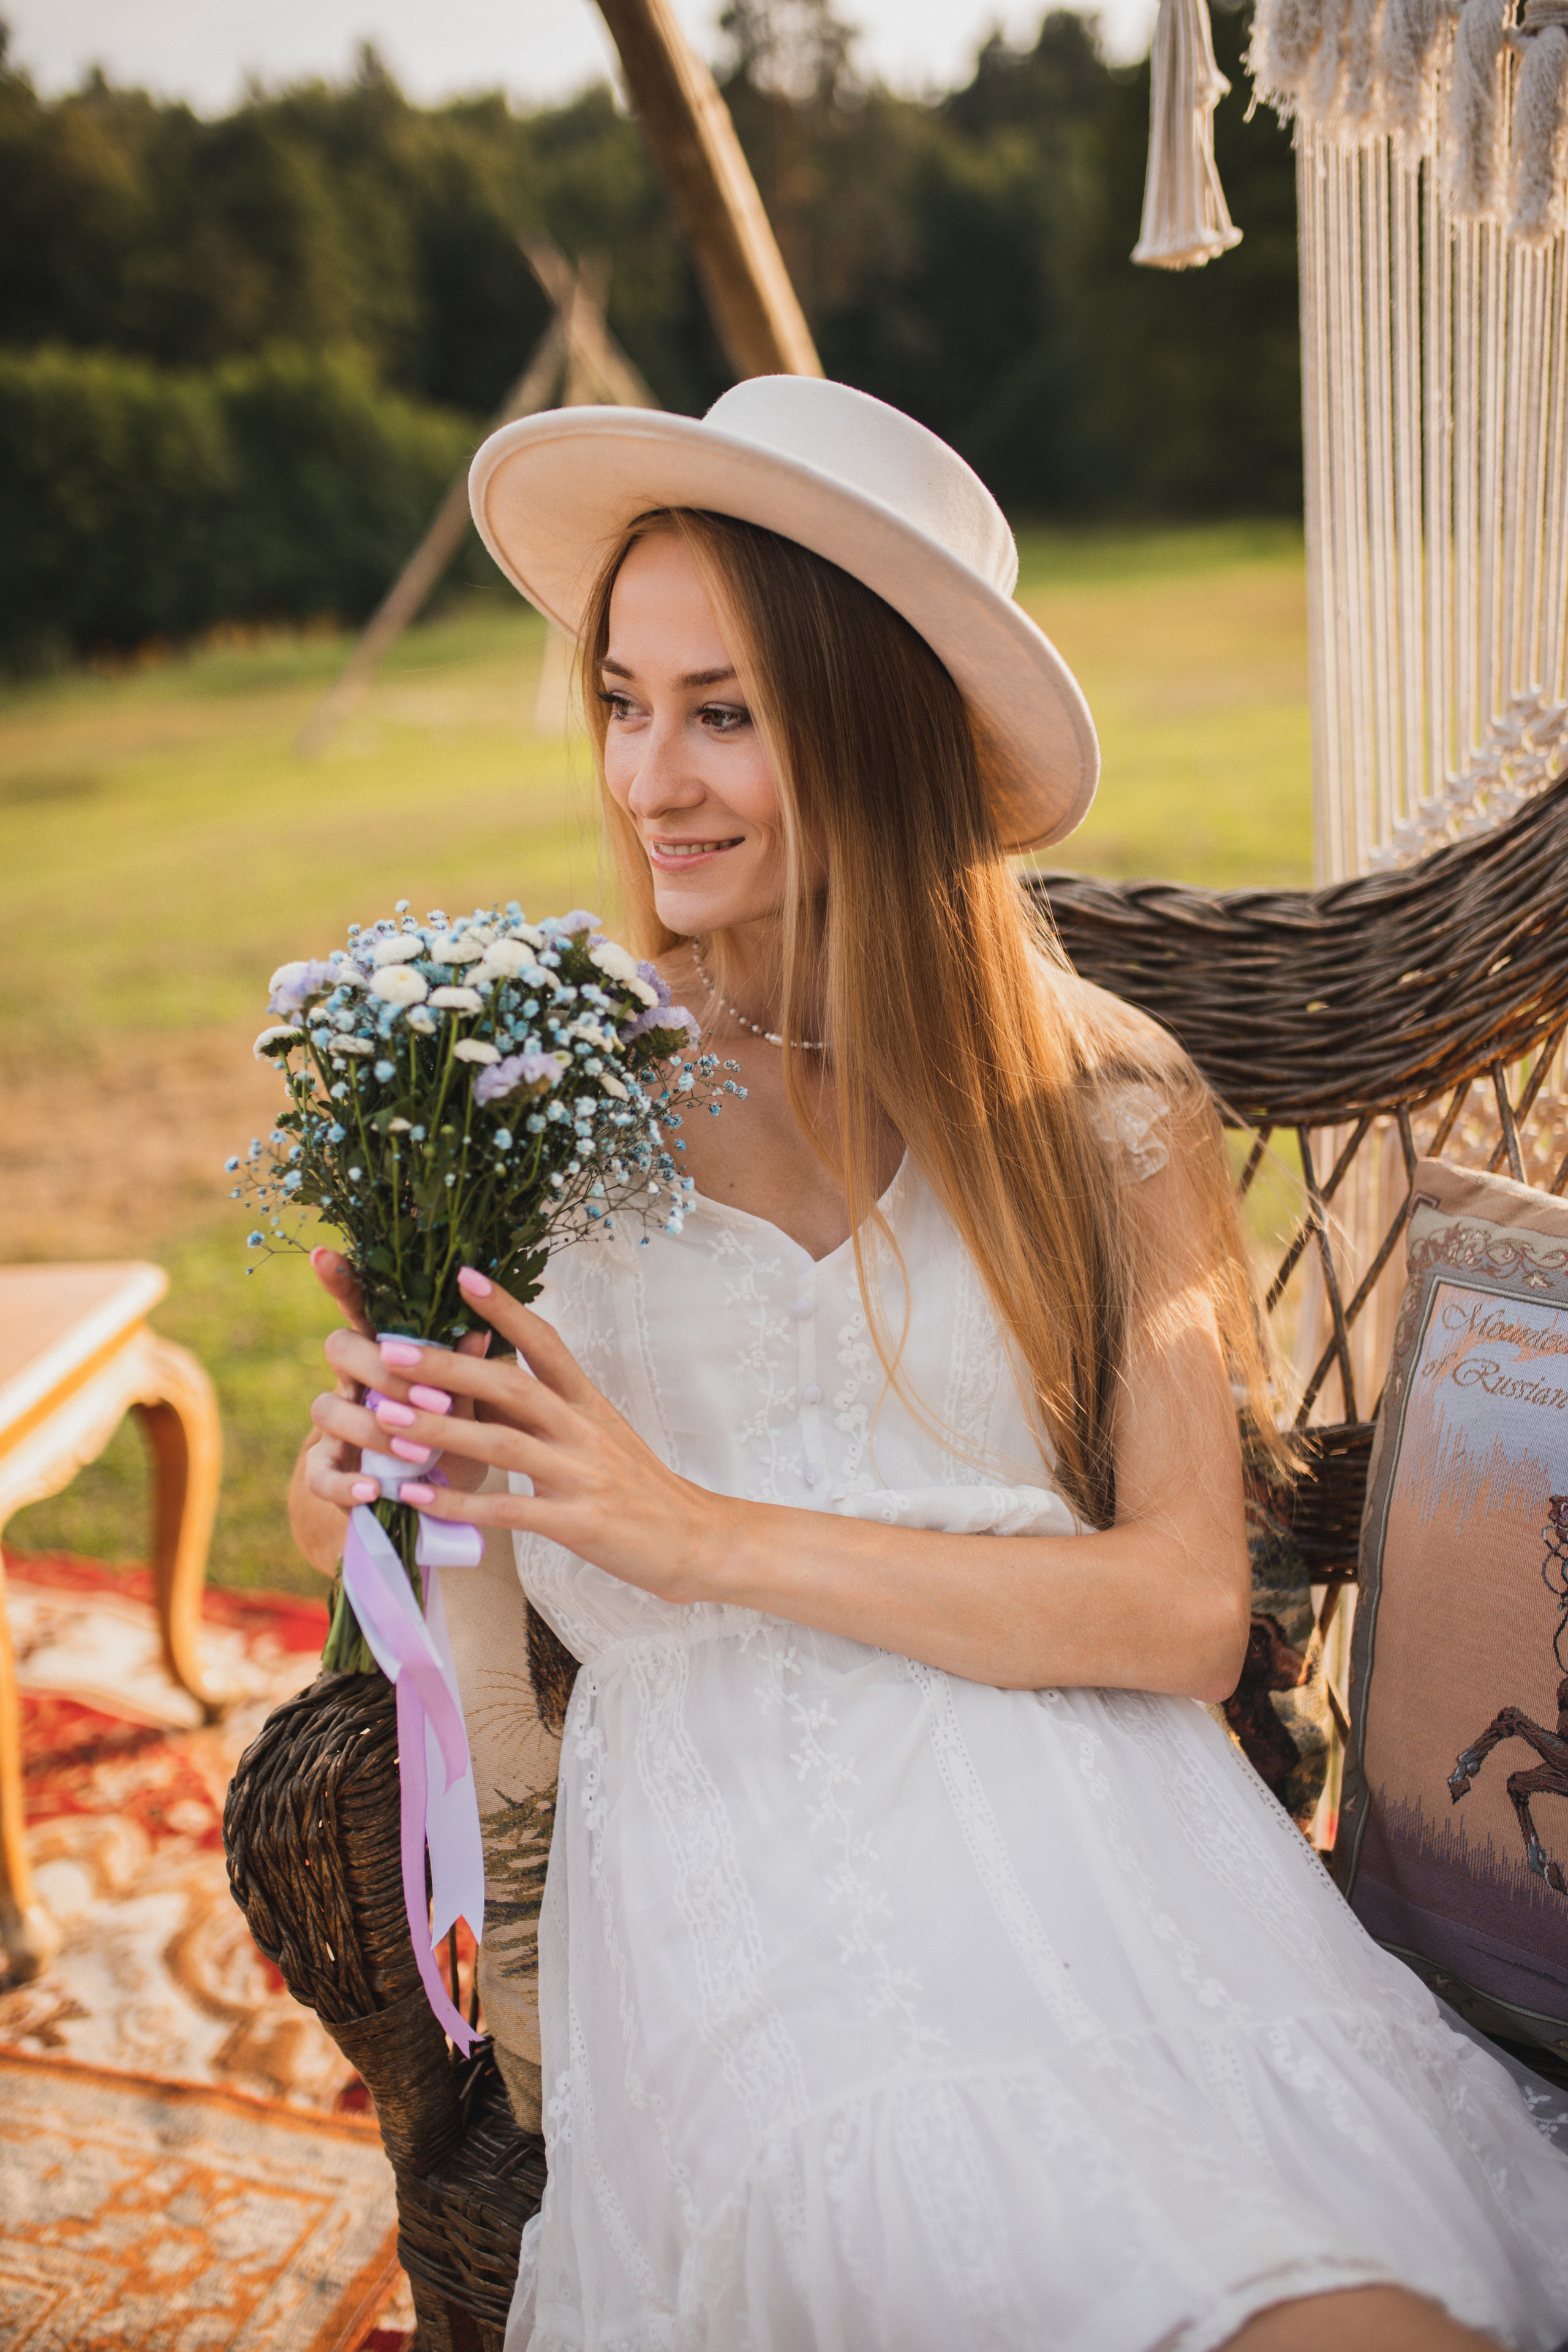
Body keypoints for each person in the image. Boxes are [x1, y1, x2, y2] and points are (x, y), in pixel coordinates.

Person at [290, 378, 1568, 2351]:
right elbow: (392, 1517)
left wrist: (694, 1528)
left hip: (1111, 1816)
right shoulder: (521, 1097)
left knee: (1340, 2292)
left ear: (879, 734)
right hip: (751, 1853)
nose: (652, 781)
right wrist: (358, 1475)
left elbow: (1181, 1611)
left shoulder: (1102, 1108)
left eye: (724, 712)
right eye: (625, 703)